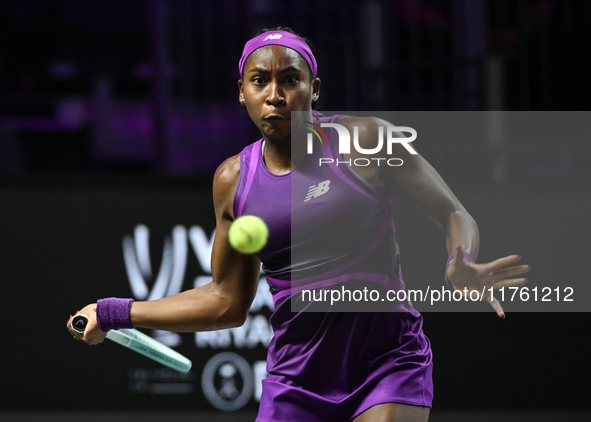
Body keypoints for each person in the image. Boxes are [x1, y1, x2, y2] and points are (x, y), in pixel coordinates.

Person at [68, 27, 531, 422]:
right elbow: (226, 301)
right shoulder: (232, 181)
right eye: (259, 81)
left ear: (314, 88)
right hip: (296, 377)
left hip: (388, 362)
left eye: (290, 80)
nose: (275, 95)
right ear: (242, 92)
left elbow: (452, 212)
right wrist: (113, 312)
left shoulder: (366, 139)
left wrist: (460, 260)